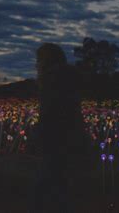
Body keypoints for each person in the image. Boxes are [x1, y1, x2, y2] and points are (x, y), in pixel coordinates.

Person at [32, 43, 90, 212]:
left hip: (56, 144)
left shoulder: (52, 81)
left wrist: (38, 136)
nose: (36, 64)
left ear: (46, 60)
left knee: (47, 193)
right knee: (61, 191)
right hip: (69, 143)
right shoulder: (68, 80)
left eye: (39, 60)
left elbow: (51, 116)